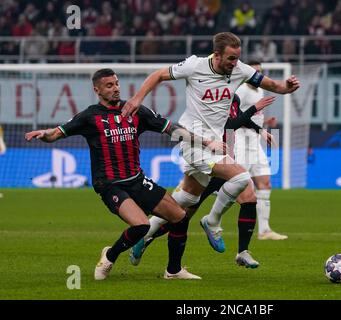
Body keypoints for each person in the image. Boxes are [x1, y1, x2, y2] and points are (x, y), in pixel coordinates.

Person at [24, 68, 225, 280]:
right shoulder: (90, 116)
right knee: (141, 225)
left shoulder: (135, 110)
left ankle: (173, 271)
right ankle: (110, 255)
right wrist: (44, 134)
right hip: (110, 184)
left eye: (117, 83)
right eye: (109, 85)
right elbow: (56, 133)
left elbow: (171, 130)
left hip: (137, 179)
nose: (116, 89)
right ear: (97, 90)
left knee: (180, 217)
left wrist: (206, 142)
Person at [121, 32, 299, 262]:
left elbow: (272, 84)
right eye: (231, 59)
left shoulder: (240, 70)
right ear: (217, 55)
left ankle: (144, 237)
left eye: (237, 58)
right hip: (193, 140)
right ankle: (212, 221)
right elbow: (158, 75)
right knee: (242, 177)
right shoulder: (194, 66)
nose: (235, 64)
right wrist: (136, 99)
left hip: (216, 144)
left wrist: (286, 87)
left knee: (186, 201)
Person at [130, 94, 276, 268]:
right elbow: (228, 125)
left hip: (223, 157)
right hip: (204, 154)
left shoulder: (233, 97)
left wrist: (260, 130)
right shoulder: (211, 96)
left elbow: (237, 118)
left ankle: (242, 251)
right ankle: (147, 236)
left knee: (249, 196)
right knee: (182, 212)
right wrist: (255, 108)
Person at [234, 61, 288, 241]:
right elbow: (237, 118)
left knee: (265, 184)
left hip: (255, 143)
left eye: (260, 72)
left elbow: (252, 116)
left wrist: (265, 123)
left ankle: (264, 230)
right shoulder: (241, 90)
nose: (257, 76)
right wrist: (262, 130)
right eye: (254, 72)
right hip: (240, 142)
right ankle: (213, 214)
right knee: (238, 186)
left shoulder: (259, 90)